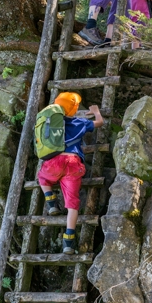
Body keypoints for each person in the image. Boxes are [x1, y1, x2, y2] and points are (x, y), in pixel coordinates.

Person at [37, 92, 104, 254]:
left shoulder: (52, 124)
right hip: (73, 163)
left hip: (54, 162)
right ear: (74, 108)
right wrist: (95, 111)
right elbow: (99, 123)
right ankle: (69, 240)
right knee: (72, 204)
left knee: (42, 177)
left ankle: (51, 202)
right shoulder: (79, 122)